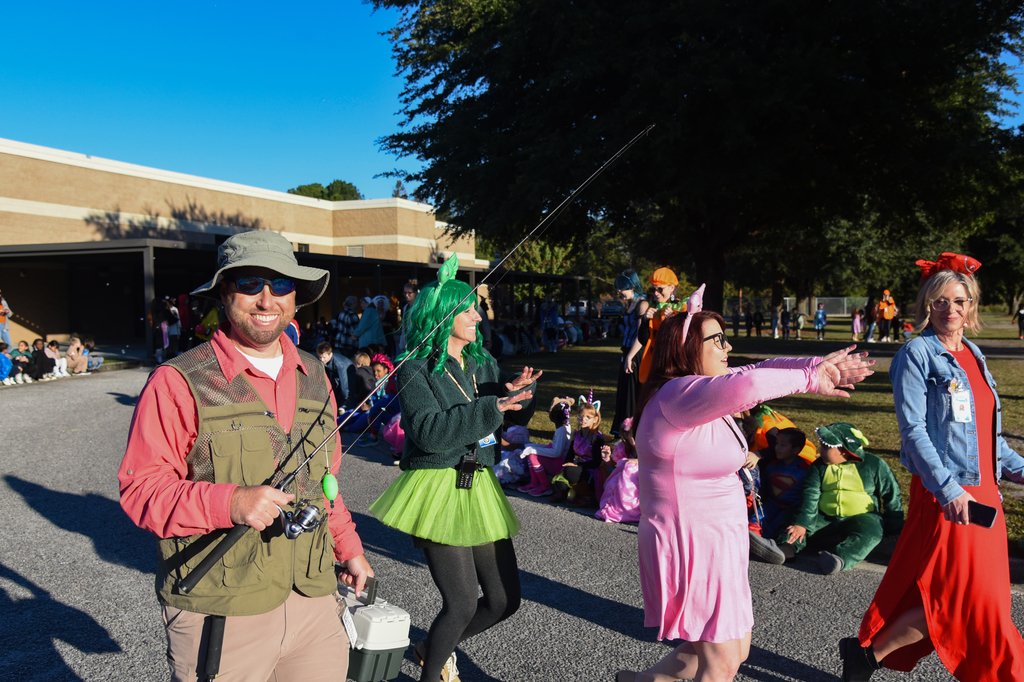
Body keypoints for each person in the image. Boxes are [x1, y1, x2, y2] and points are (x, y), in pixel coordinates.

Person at [118, 230, 372, 682]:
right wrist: (231, 502)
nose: (266, 299)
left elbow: (324, 485)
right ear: (224, 293)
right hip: (222, 608)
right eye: (251, 284)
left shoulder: (317, 375)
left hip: (313, 600)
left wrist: (349, 548)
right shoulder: (177, 381)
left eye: (280, 285)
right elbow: (141, 491)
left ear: (297, 296)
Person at [618, 283, 873, 682]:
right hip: (693, 541)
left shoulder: (700, 391)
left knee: (725, 649)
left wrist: (817, 364)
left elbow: (753, 371)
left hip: (723, 537)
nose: (727, 348)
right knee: (722, 660)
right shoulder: (677, 394)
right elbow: (751, 386)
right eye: (716, 340)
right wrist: (810, 377)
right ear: (686, 350)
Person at [840, 253, 1024, 682]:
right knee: (964, 596)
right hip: (947, 494)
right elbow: (914, 433)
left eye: (959, 301)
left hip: (984, 494)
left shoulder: (974, 354)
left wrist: (1019, 469)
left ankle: (866, 656)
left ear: (971, 305)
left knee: (978, 598)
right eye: (940, 300)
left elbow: (988, 438)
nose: (950, 309)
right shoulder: (916, 354)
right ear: (926, 304)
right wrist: (949, 490)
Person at [368, 254, 539, 682]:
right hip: (437, 486)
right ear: (443, 316)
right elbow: (427, 431)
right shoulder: (415, 369)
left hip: (478, 483)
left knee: (503, 601)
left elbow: (498, 414)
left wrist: (517, 398)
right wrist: (492, 407)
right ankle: (433, 664)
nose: (476, 315)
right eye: (466, 309)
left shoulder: (481, 364)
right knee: (461, 603)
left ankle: (433, 646)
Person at [783, 422, 903, 575]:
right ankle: (786, 548)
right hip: (824, 514)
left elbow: (891, 494)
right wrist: (802, 523)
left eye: (826, 447)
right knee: (793, 517)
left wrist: (894, 526)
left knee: (871, 533)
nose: (821, 451)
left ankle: (839, 558)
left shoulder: (873, 464)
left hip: (862, 516)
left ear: (844, 450)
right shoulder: (818, 466)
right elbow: (810, 496)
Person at [629, 267, 685, 385]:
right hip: (654, 365)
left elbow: (685, 339)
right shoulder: (652, 308)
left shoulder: (682, 309)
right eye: (653, 289)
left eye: (660, 289)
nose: (656, 293)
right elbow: (643, 340)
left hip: (674, 366)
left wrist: (674, 321)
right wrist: (645, 321)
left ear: (672, 288)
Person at [612, 271, 650, 436]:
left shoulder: (642, 303)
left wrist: (630, 357)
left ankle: (630, 432)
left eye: (621, 288)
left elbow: (641, 335)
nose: (619, 292)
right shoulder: (631, 304)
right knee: (623, 391)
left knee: (631, 393)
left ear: (632, 286)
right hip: (627, 351)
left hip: (636, 353)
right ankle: (620, 430)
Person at [517, 396, 575, 497]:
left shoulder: (562, 430)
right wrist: (535, 446)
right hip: (559, 461)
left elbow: (557, 452)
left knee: (532, 456)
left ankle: (545, 486)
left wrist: (534, 450)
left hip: (559, 465)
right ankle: (534, 484)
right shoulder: (563, 428)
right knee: (532, 452)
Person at [316, 341, 352, 408]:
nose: (322, 359)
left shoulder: (339, 364)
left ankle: (347, 404)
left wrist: (345, 394)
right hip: (335, 373)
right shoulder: (325, 361)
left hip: (348, 372)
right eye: (320, 357)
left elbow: (343, 379)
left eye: (324, 357)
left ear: (330, 354)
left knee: (348, 390)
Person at [397, 281, 419, 354]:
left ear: (416, 293)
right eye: (405, 293)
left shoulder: (420, 306)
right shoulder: (405, 307)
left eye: (409, 293)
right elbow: (404, 327)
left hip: (418, 341)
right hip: (407, 342)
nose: (406, 295)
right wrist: (402, 343)